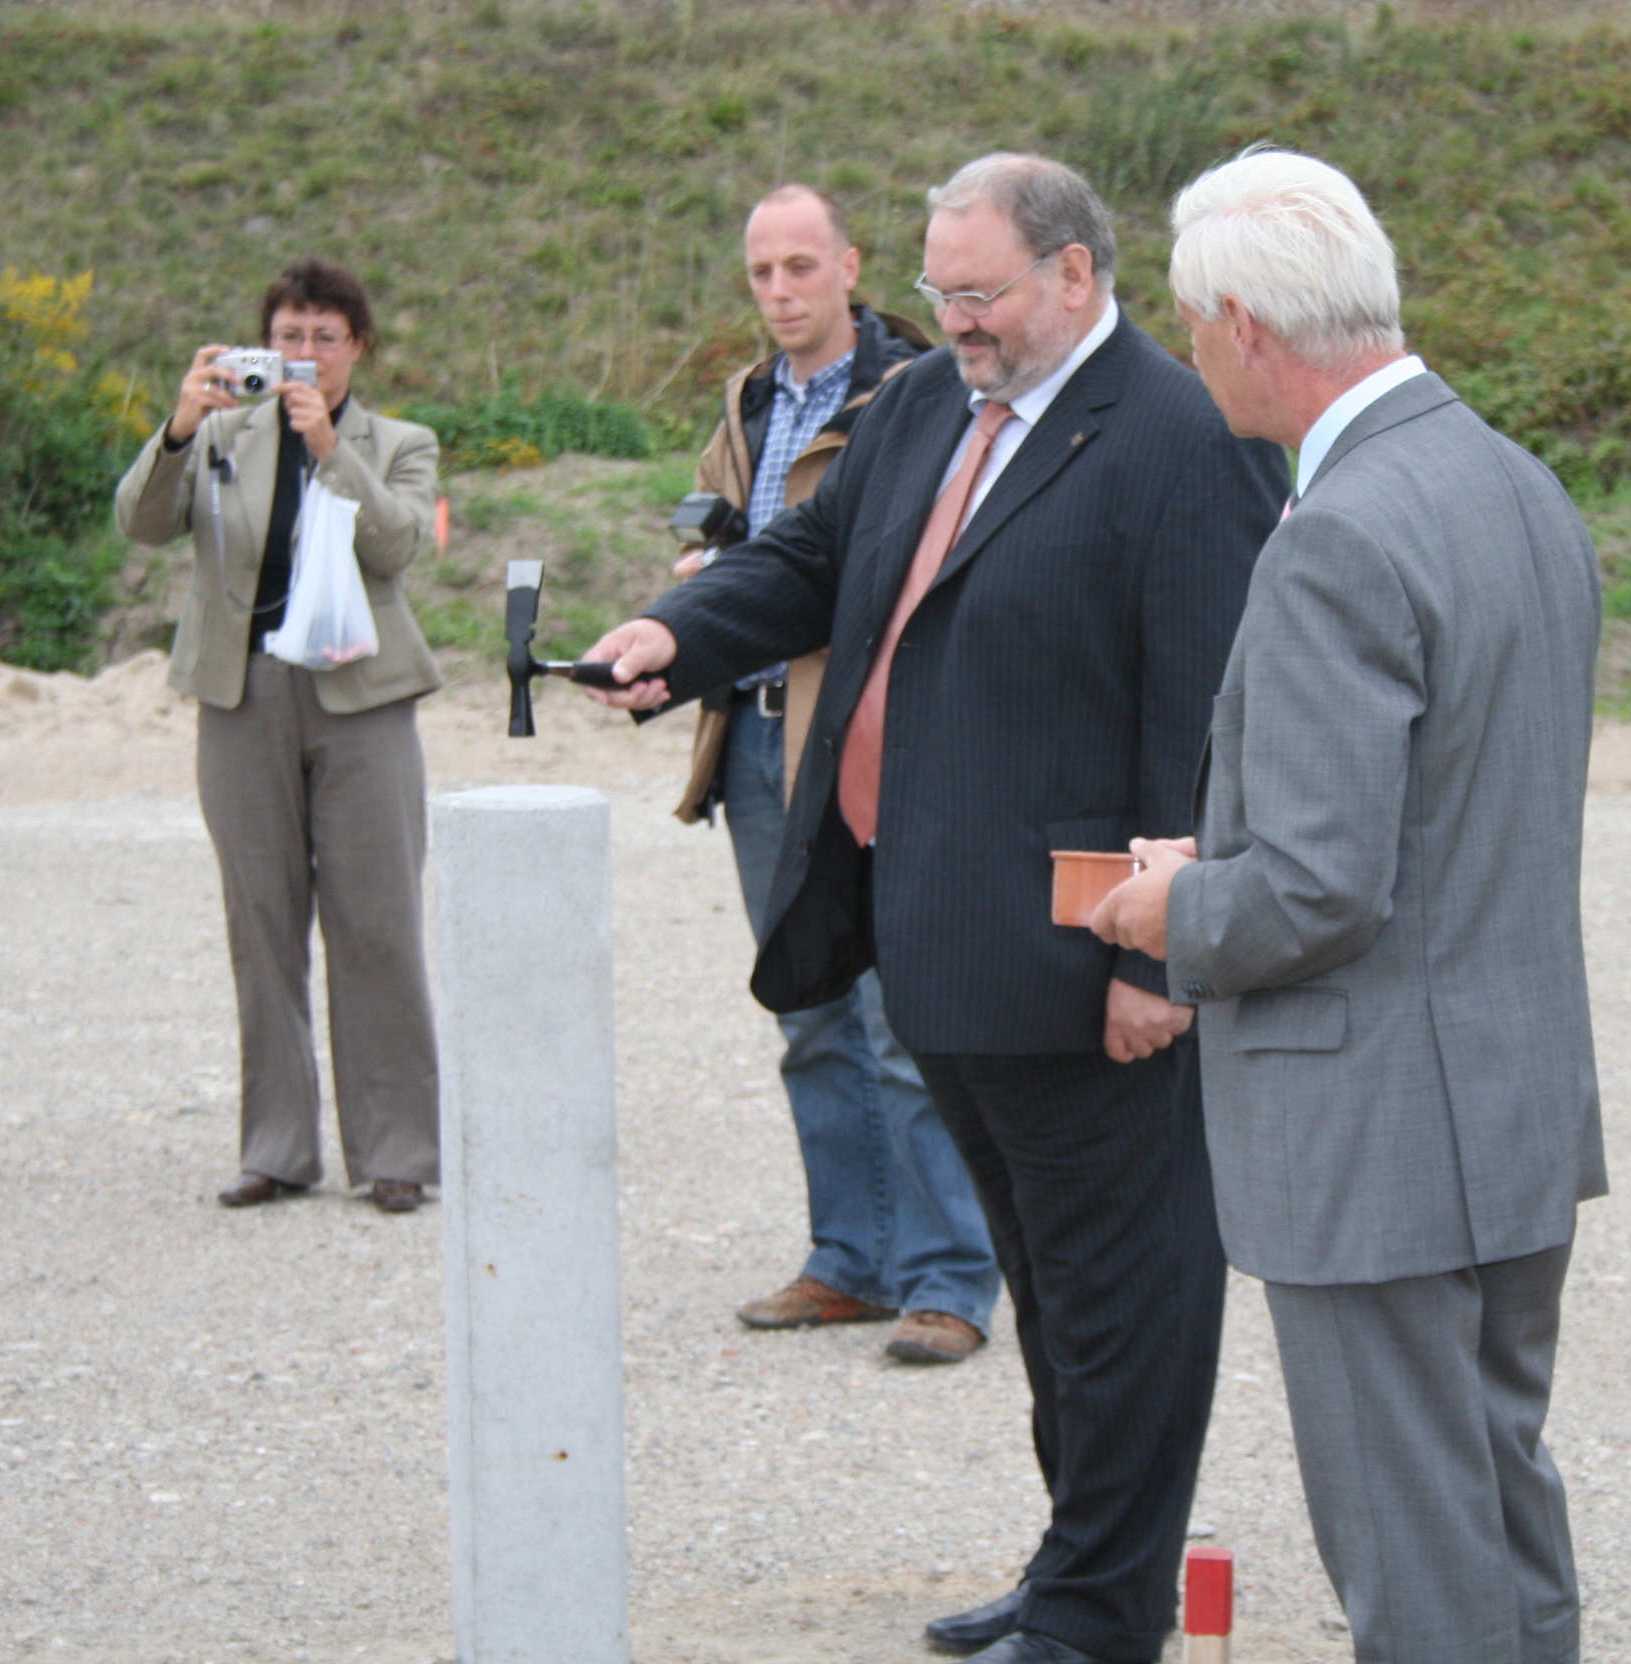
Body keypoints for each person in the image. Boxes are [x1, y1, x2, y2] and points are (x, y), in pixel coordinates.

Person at [582, 154, 1282, 1664]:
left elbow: (1206, 721)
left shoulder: (1181, 437)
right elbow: (808, 561)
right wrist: (676, 633)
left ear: (1077, 275)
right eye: (942, 291)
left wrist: (1163, 957)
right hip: (936, 940)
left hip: (1091, 961)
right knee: (1049, 1289)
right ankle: (1078, 1569)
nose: (956, 320)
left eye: (983, 295)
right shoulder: (919, 405)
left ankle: (1101, 1619)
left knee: (1123, 1302)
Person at [1089, 149, 1608, 1664]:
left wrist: (1173, 908)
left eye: (1192, 323)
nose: (1191, 354)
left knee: (1417, 1554)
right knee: (1499, 1509)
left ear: (1245, 326)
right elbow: (1451, 808)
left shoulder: (1338, 532)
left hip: (1378, 1132)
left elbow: (1321, 888)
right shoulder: (1513, 480)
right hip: (1506, 1096)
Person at [676, 183, 1000, 1365]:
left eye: (801, 266)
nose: (780, 290)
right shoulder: (750, 397)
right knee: (807, 1005)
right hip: (754, 731)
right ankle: (851, 1257)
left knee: (902, 1012)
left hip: (865, 728)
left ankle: (951, 1275)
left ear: (853, 267)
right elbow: (737, 537)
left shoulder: (921, 391)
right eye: (762, 270)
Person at [115, 258, 444, 1215]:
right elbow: (140, 523)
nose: (305, 355)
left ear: (358, 347)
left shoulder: (400, 442)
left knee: (378, 923)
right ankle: (277, 1147)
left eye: (324, 339)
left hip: (361, 696)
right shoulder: (221, 432)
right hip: (242, 691)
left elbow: (397, 545)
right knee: (260, 923)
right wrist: (179, 427)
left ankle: (397, 1150)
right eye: (288, 337)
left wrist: (330, 448)